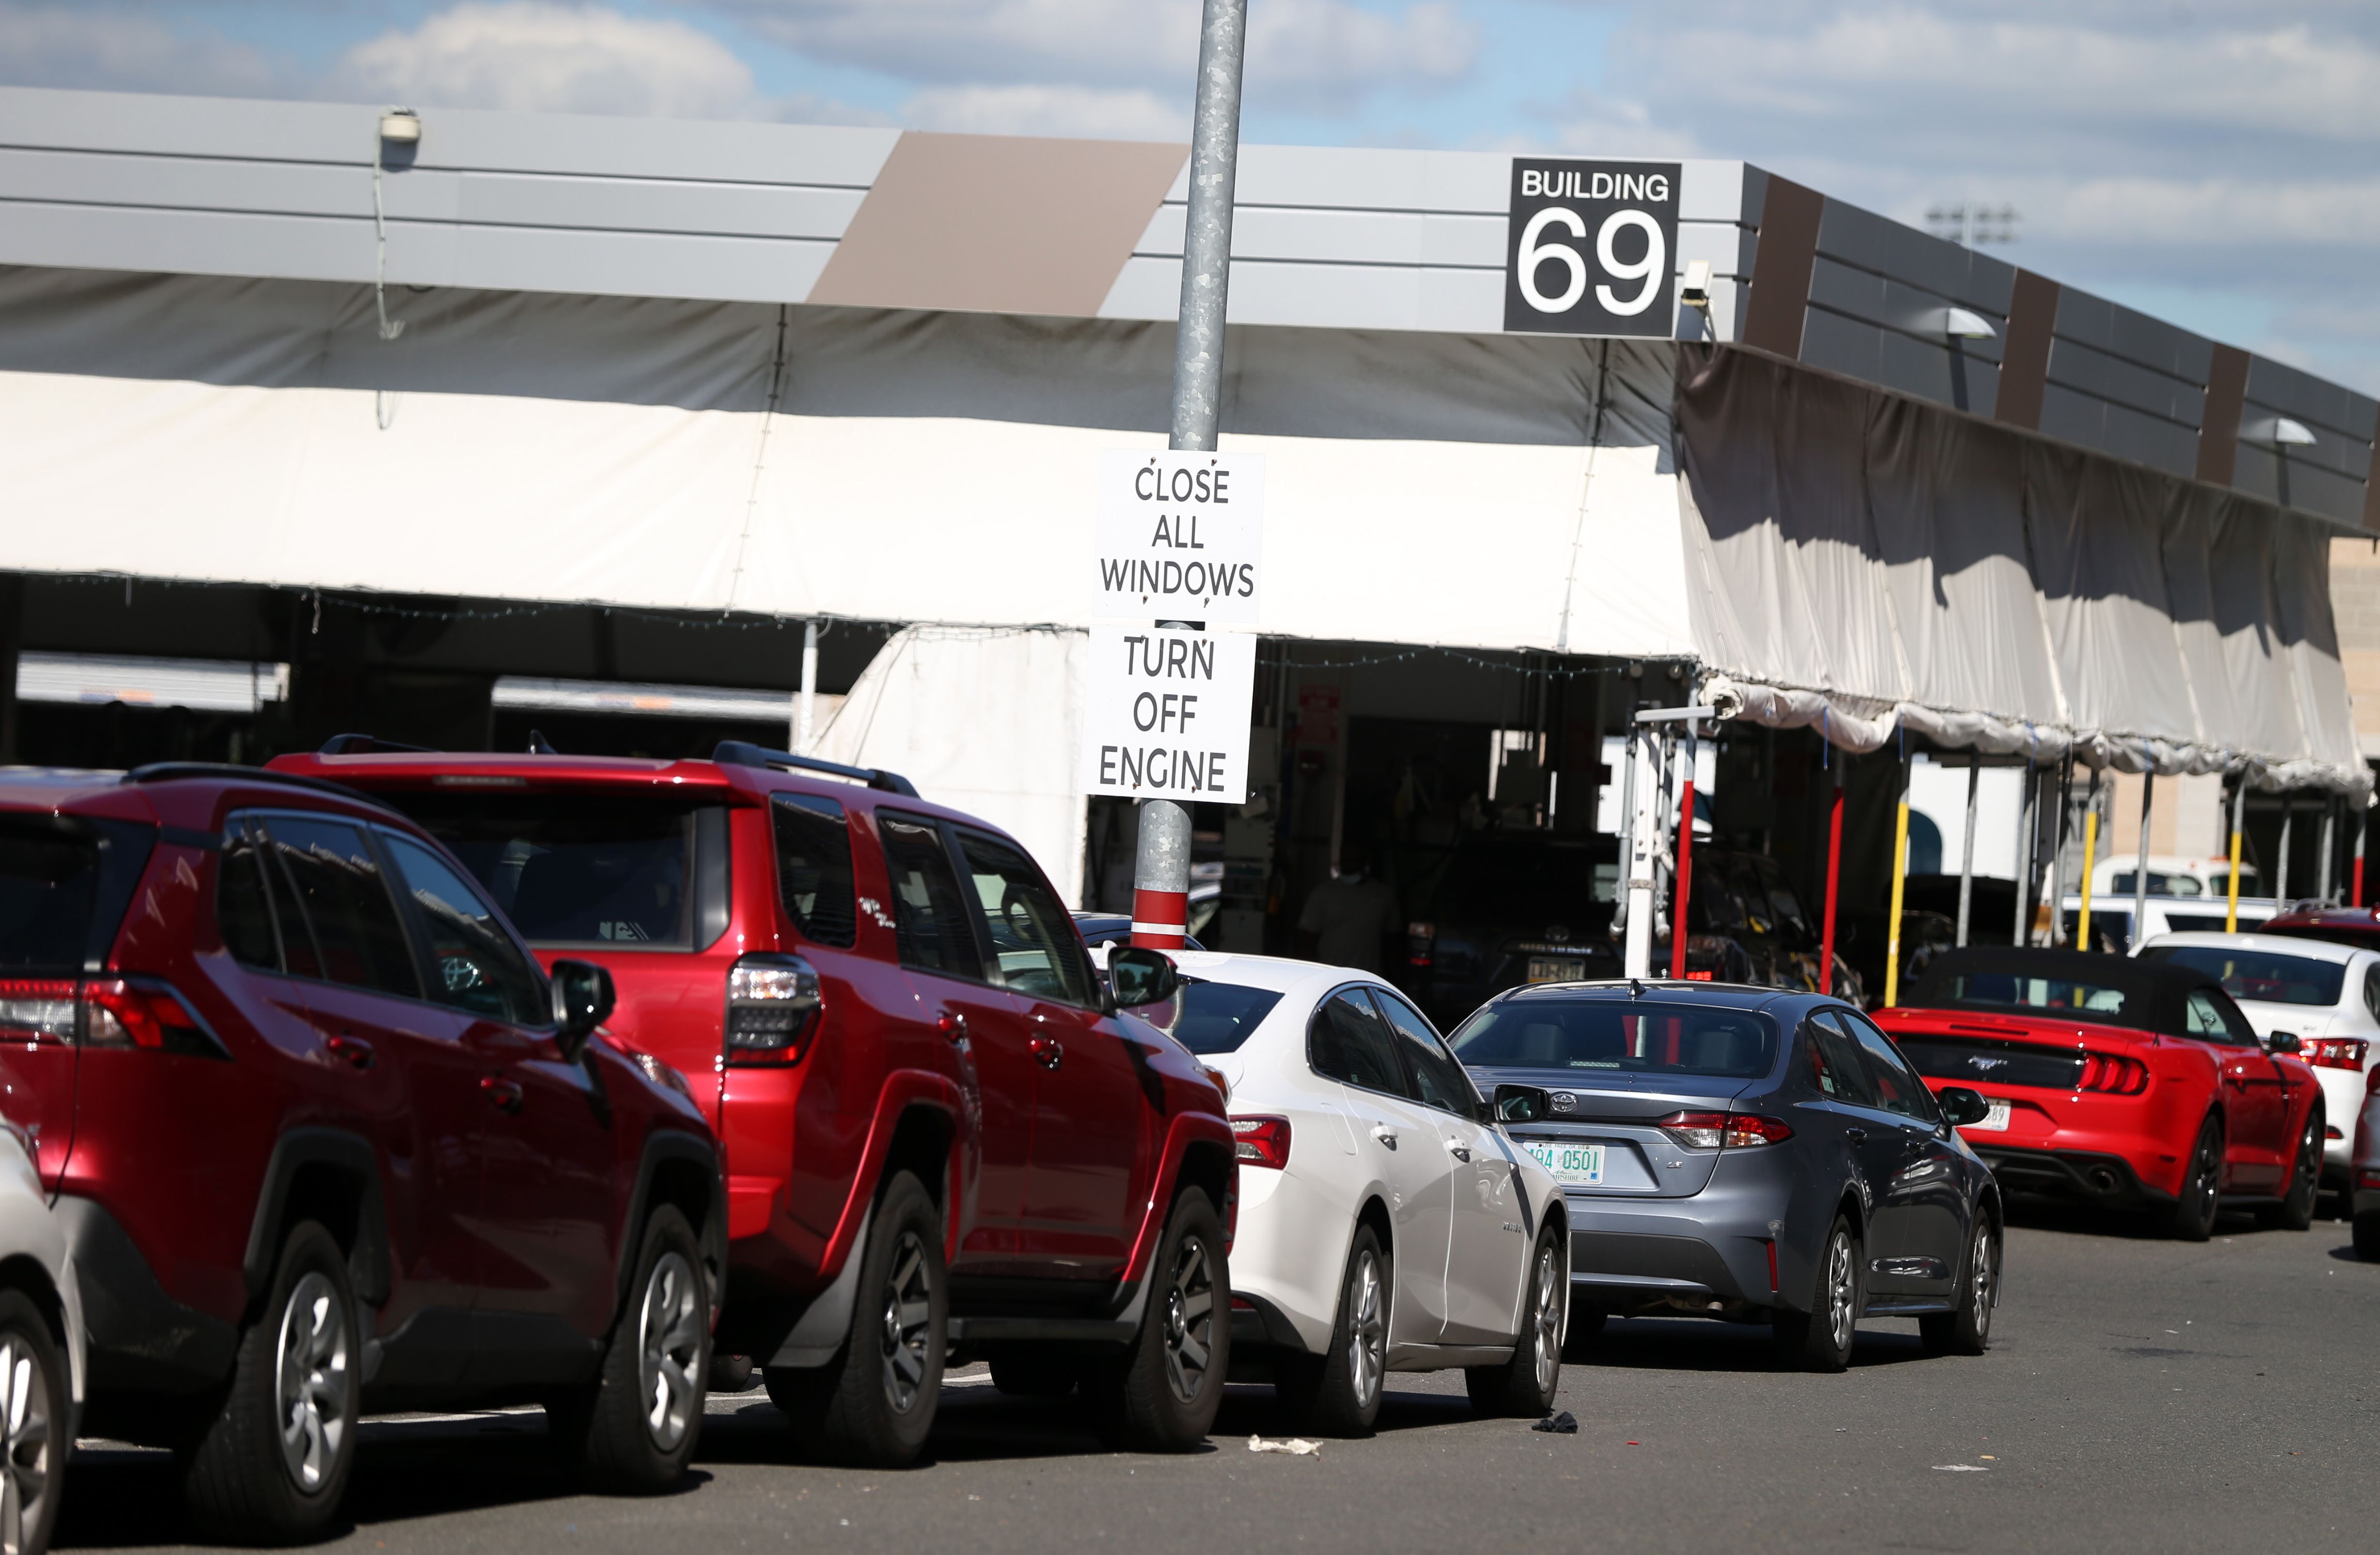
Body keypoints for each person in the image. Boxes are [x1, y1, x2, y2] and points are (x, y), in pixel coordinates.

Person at [1297, 844, 1401, 973]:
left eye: (1353, 859)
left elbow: (1392, 943)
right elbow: (1307, 939)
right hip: (1329, 976)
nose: (1348, 864)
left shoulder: (1384, 895)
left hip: (1369, 978)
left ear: (1364, 861)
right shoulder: (1322, 894)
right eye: (1345, 859)